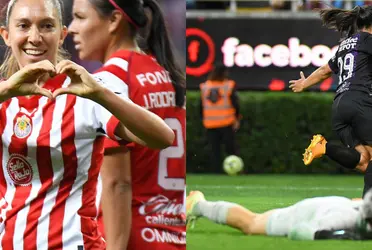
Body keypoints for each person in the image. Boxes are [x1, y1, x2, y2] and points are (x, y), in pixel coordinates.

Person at [0, 0, 175, 249]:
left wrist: (101, 94)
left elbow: (163, 138)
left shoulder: (85, 90)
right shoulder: (3, 97)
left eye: (47, 26)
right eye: (24, 26)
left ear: (61, 35)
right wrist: (5, 90)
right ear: (6, 35)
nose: (35, 37)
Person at [68, 0, 186, 249]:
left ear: (114, 20)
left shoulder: (107, 83)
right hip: (174, 234)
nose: (71, 28)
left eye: (80, 17)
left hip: (132, 237)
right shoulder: (169, 74)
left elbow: (117, 183)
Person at [289, 5, 372, 197]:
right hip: (361, 102)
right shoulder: (369, 41)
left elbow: (325, 70)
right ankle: (368, 209)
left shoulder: (345, 44)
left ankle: (324, 147)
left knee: (364, 161)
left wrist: (304, 84)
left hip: (340, 106)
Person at [186, 189, 372, 240]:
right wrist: (337, 236)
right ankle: (199, 205)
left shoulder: (362, 212)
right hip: (307, 213)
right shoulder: (342, 219)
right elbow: (300, 232)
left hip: (336, 203)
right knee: (252, 223)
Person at [199, 64, 241, 173]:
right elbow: (236, 104)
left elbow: (200, 106)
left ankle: (216, 171)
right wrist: (237, 119)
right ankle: (235, 170)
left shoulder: (205, 87)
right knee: (231, 150)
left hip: (210, 124)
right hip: (226, 122)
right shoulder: (228, 85)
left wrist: (203, 120)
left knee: (214, 151)